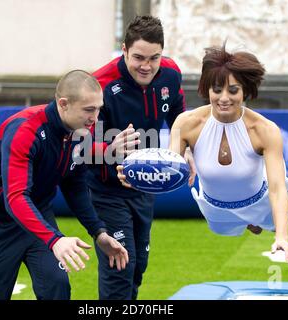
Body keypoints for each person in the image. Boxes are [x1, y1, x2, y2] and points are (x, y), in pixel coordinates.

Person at [0, 70, 129, 300]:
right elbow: (16, 197)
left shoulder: (80, 131)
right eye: (89, 110)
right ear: (63, 104)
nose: (96, 118)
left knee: (57, 287)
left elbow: (76, 187)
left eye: (99, 108)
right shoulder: (24, 129)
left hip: (37, 213)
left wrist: (99, 232)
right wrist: (55, 240)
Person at [163, 44, 288, 266]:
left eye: (233, 90)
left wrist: (282, 238)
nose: (224, 98)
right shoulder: (187, 124)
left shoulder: (265, 130)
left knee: (265, 219)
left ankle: (255, 222)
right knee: (224, 227)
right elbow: (167, 173)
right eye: (217, 90)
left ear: (245, 91)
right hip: (215, 211)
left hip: (260, 202)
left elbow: (277, 189)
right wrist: (137, 178)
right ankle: (249, 223)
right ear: (207, 90)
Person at [88, 15, 194, 300]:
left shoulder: (170, 74)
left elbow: (179, 115)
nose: (146, 66)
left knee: (137, 267)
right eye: (138, 57)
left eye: (154, 58)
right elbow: (79, 144)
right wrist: (112, 150)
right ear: (123, 50)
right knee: (120, 264)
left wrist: (186, 148)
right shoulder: (99, 84)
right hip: (106, 188)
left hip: (146, 183)